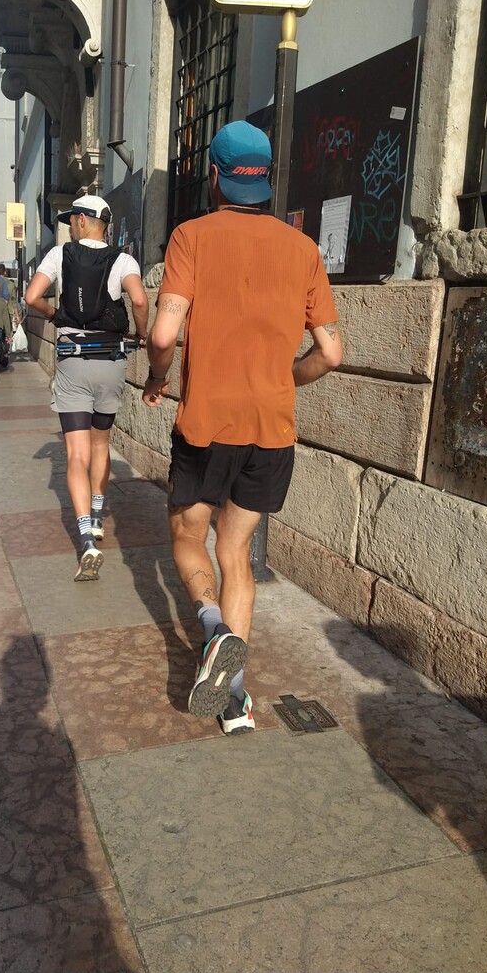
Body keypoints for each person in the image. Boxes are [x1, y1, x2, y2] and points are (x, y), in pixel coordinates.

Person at [143, 120, 343, 734]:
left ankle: (212, 630)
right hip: (272, 432)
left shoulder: (192, 236)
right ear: (266, 179)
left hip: (207, 424)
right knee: (237, 554)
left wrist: (156, 377)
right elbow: (331, 353)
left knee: (187, 538)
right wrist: (286, 381)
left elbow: (163, 334)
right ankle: (235, 702)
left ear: (216, 176)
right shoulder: (304, 249)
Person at [25, 194, 148, 581]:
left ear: (81, 220)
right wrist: (141, 333)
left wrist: (57, 314)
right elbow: (139, 299)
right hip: (110, 363)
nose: (69, 227)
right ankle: (97, 516)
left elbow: (32, 297)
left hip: (73, 362)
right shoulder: (123, 260)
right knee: (100, 445)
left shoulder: (59, 255)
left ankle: (86, 540)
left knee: (76, 454)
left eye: (71, 220)